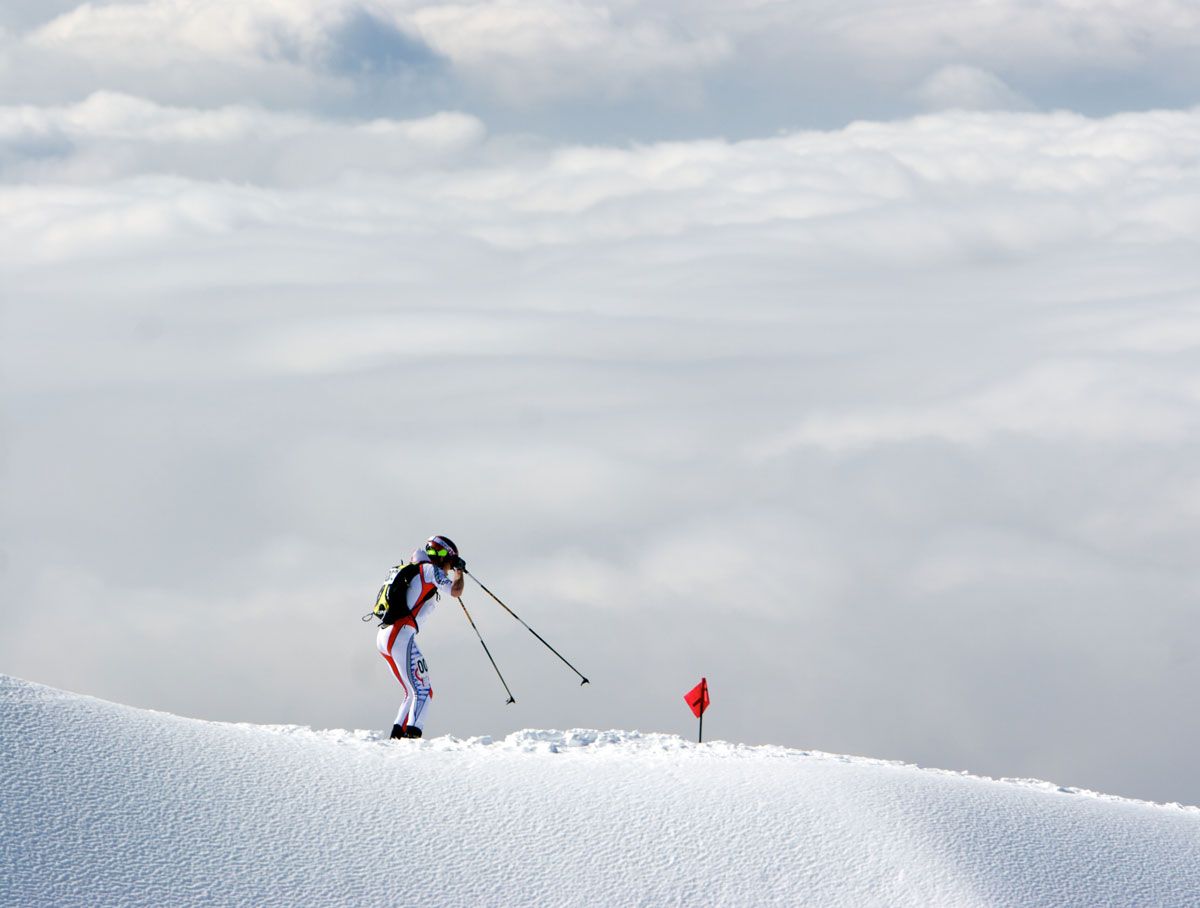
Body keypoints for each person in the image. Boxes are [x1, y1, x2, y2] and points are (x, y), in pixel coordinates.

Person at [375, 535, 465, 739]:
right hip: (400, 634)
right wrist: (460, 571)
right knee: (423, 691)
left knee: (411, 691)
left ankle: (396, 738)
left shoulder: (413, 567)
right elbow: (456, 590)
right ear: (442, 556)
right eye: (450, 564)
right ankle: (411, 742)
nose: (449, 570)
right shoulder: (429, 569)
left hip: (385, 634)